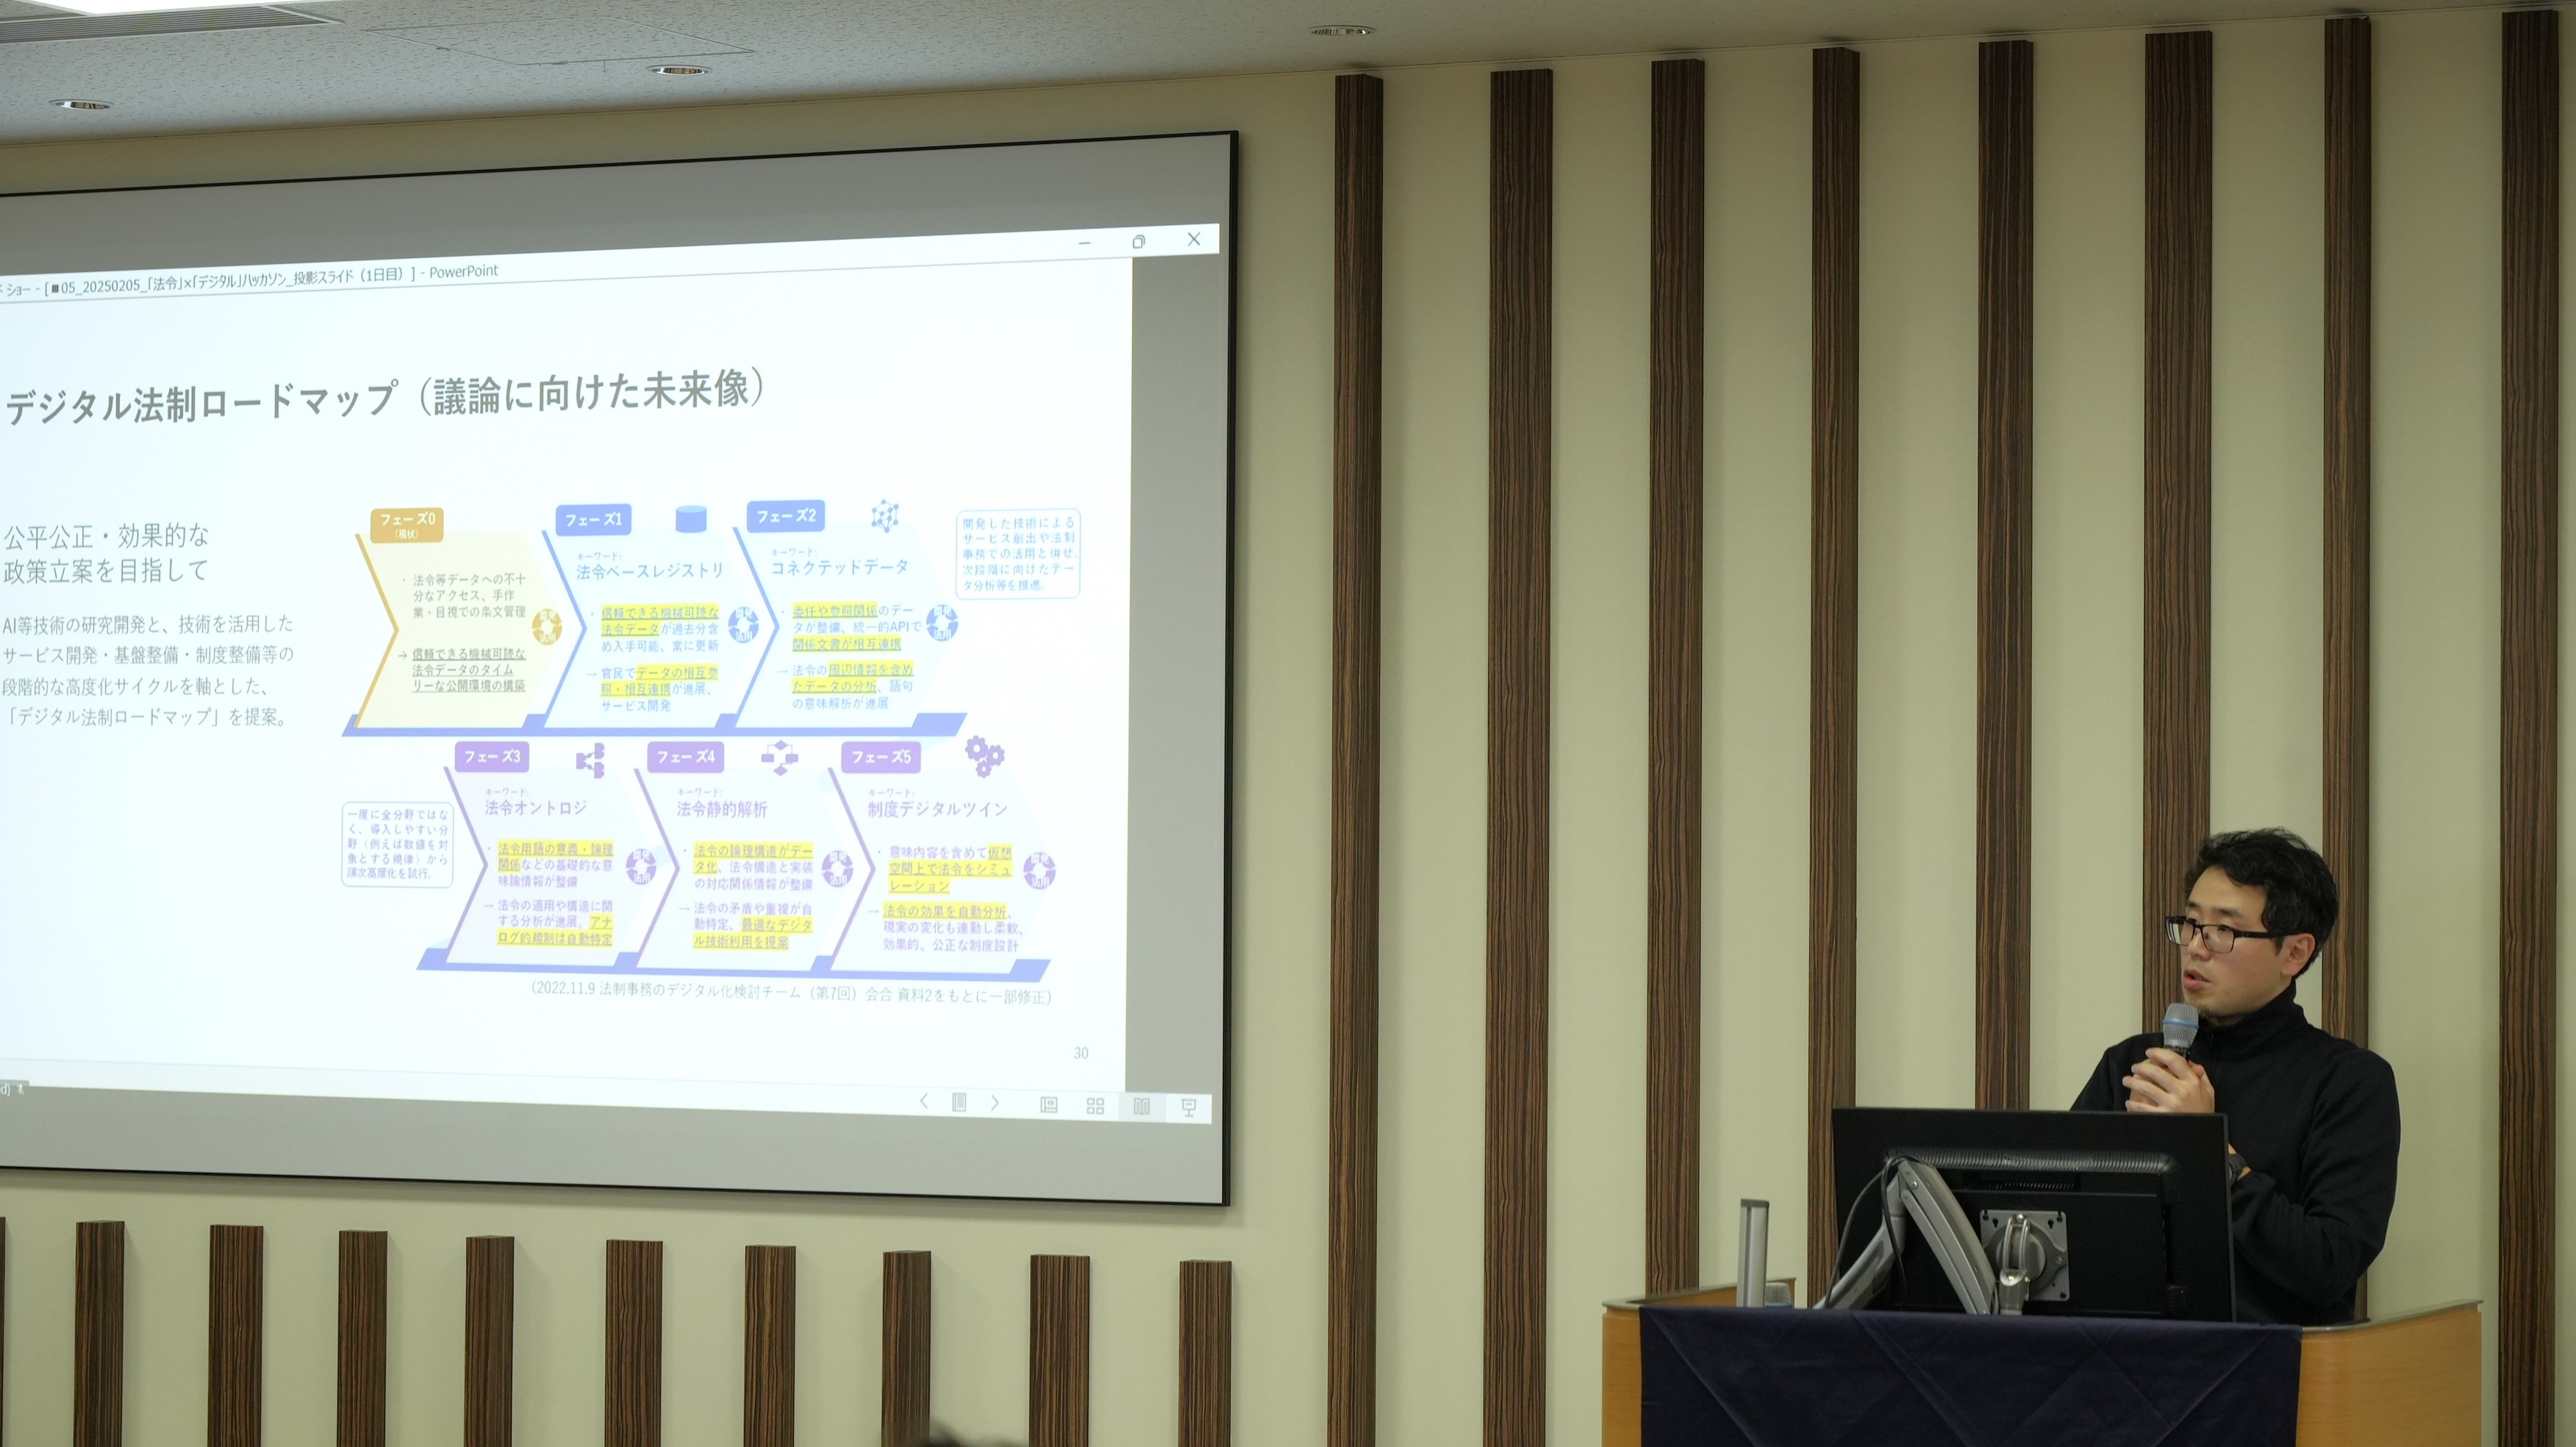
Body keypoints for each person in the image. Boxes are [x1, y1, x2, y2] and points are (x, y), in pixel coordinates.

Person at [2071, 827, 2399, 1325]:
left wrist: (2210, 1152)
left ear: (2295, 953)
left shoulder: (2348, 1082)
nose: (2195, 948)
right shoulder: (2133, 1066)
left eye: (2224, 931)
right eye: (2191, 923)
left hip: (2271, 1370)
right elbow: (2063, 1215)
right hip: (2124, 1357)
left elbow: (2327, 1265)